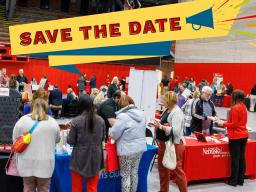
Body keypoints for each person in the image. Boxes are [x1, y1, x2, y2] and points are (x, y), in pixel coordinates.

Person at [12, 98, 60, 192]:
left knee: (28, 188)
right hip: (45, 164)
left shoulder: (22, 121)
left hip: (26, 163)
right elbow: (57, 140)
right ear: (46, 108)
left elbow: (15, 140)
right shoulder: (53, 123)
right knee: (44, 189)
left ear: (32, 107)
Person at [67, 94, 105, 192]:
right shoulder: (101, 120)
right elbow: (102, 138)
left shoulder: (76, 121)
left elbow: (70, 141)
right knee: (92, 188)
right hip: (96, 157)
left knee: (76, 188)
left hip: (79, 158)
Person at [153, 91, 188, 192]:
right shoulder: (167, 110)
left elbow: (175, 131)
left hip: (174, 144)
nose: (162, 101)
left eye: (164, 99)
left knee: (177, 170)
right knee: (162, 169)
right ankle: (163, 190)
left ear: (169, 101)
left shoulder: (177, 112)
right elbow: (165, 122)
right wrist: (158, 123)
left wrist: (160, 126)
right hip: (163, 143)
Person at [110, 95, 146, 192]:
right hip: (140, 148)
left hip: (127, 150)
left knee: (125, 176)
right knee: (134, 173)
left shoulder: (122, 116)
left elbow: (114, 133)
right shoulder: (141, 114)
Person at [217, 90, 248, 187]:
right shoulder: (244, 107)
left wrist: (223, 124)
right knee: (241, 158)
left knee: (235, 158)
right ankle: (240, 179)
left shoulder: (235, 108)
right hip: (244, 135)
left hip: (236, 135)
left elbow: (234, 124)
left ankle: (233, 180)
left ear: (235, 97)